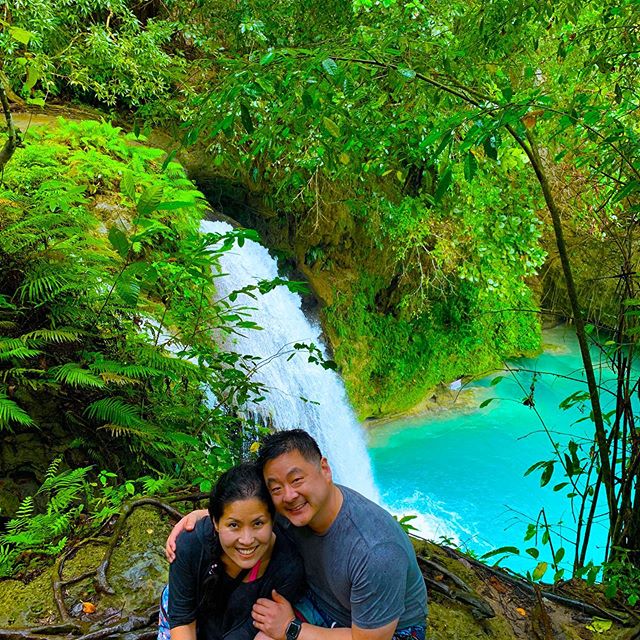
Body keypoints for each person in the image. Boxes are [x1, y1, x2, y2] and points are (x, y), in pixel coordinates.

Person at [166, 431, 428, 640]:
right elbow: (243, 507)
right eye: (276, 487)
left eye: (297, 480)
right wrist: (206, 516)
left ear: (324, 469)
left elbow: (370, 639)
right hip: (317, 603)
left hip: (383, 631)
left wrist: (292, 630)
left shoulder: (375, 551)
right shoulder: (289, 509)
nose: (289, 495)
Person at [160, 462, 306, 640]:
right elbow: (182, 620)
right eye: (234, 525)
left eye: (258, 523)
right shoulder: (191, 544)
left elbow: (248, 632)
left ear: (272, 520)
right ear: (215, 522)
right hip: (188, 611)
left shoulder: (288, 567)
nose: (246, 540)